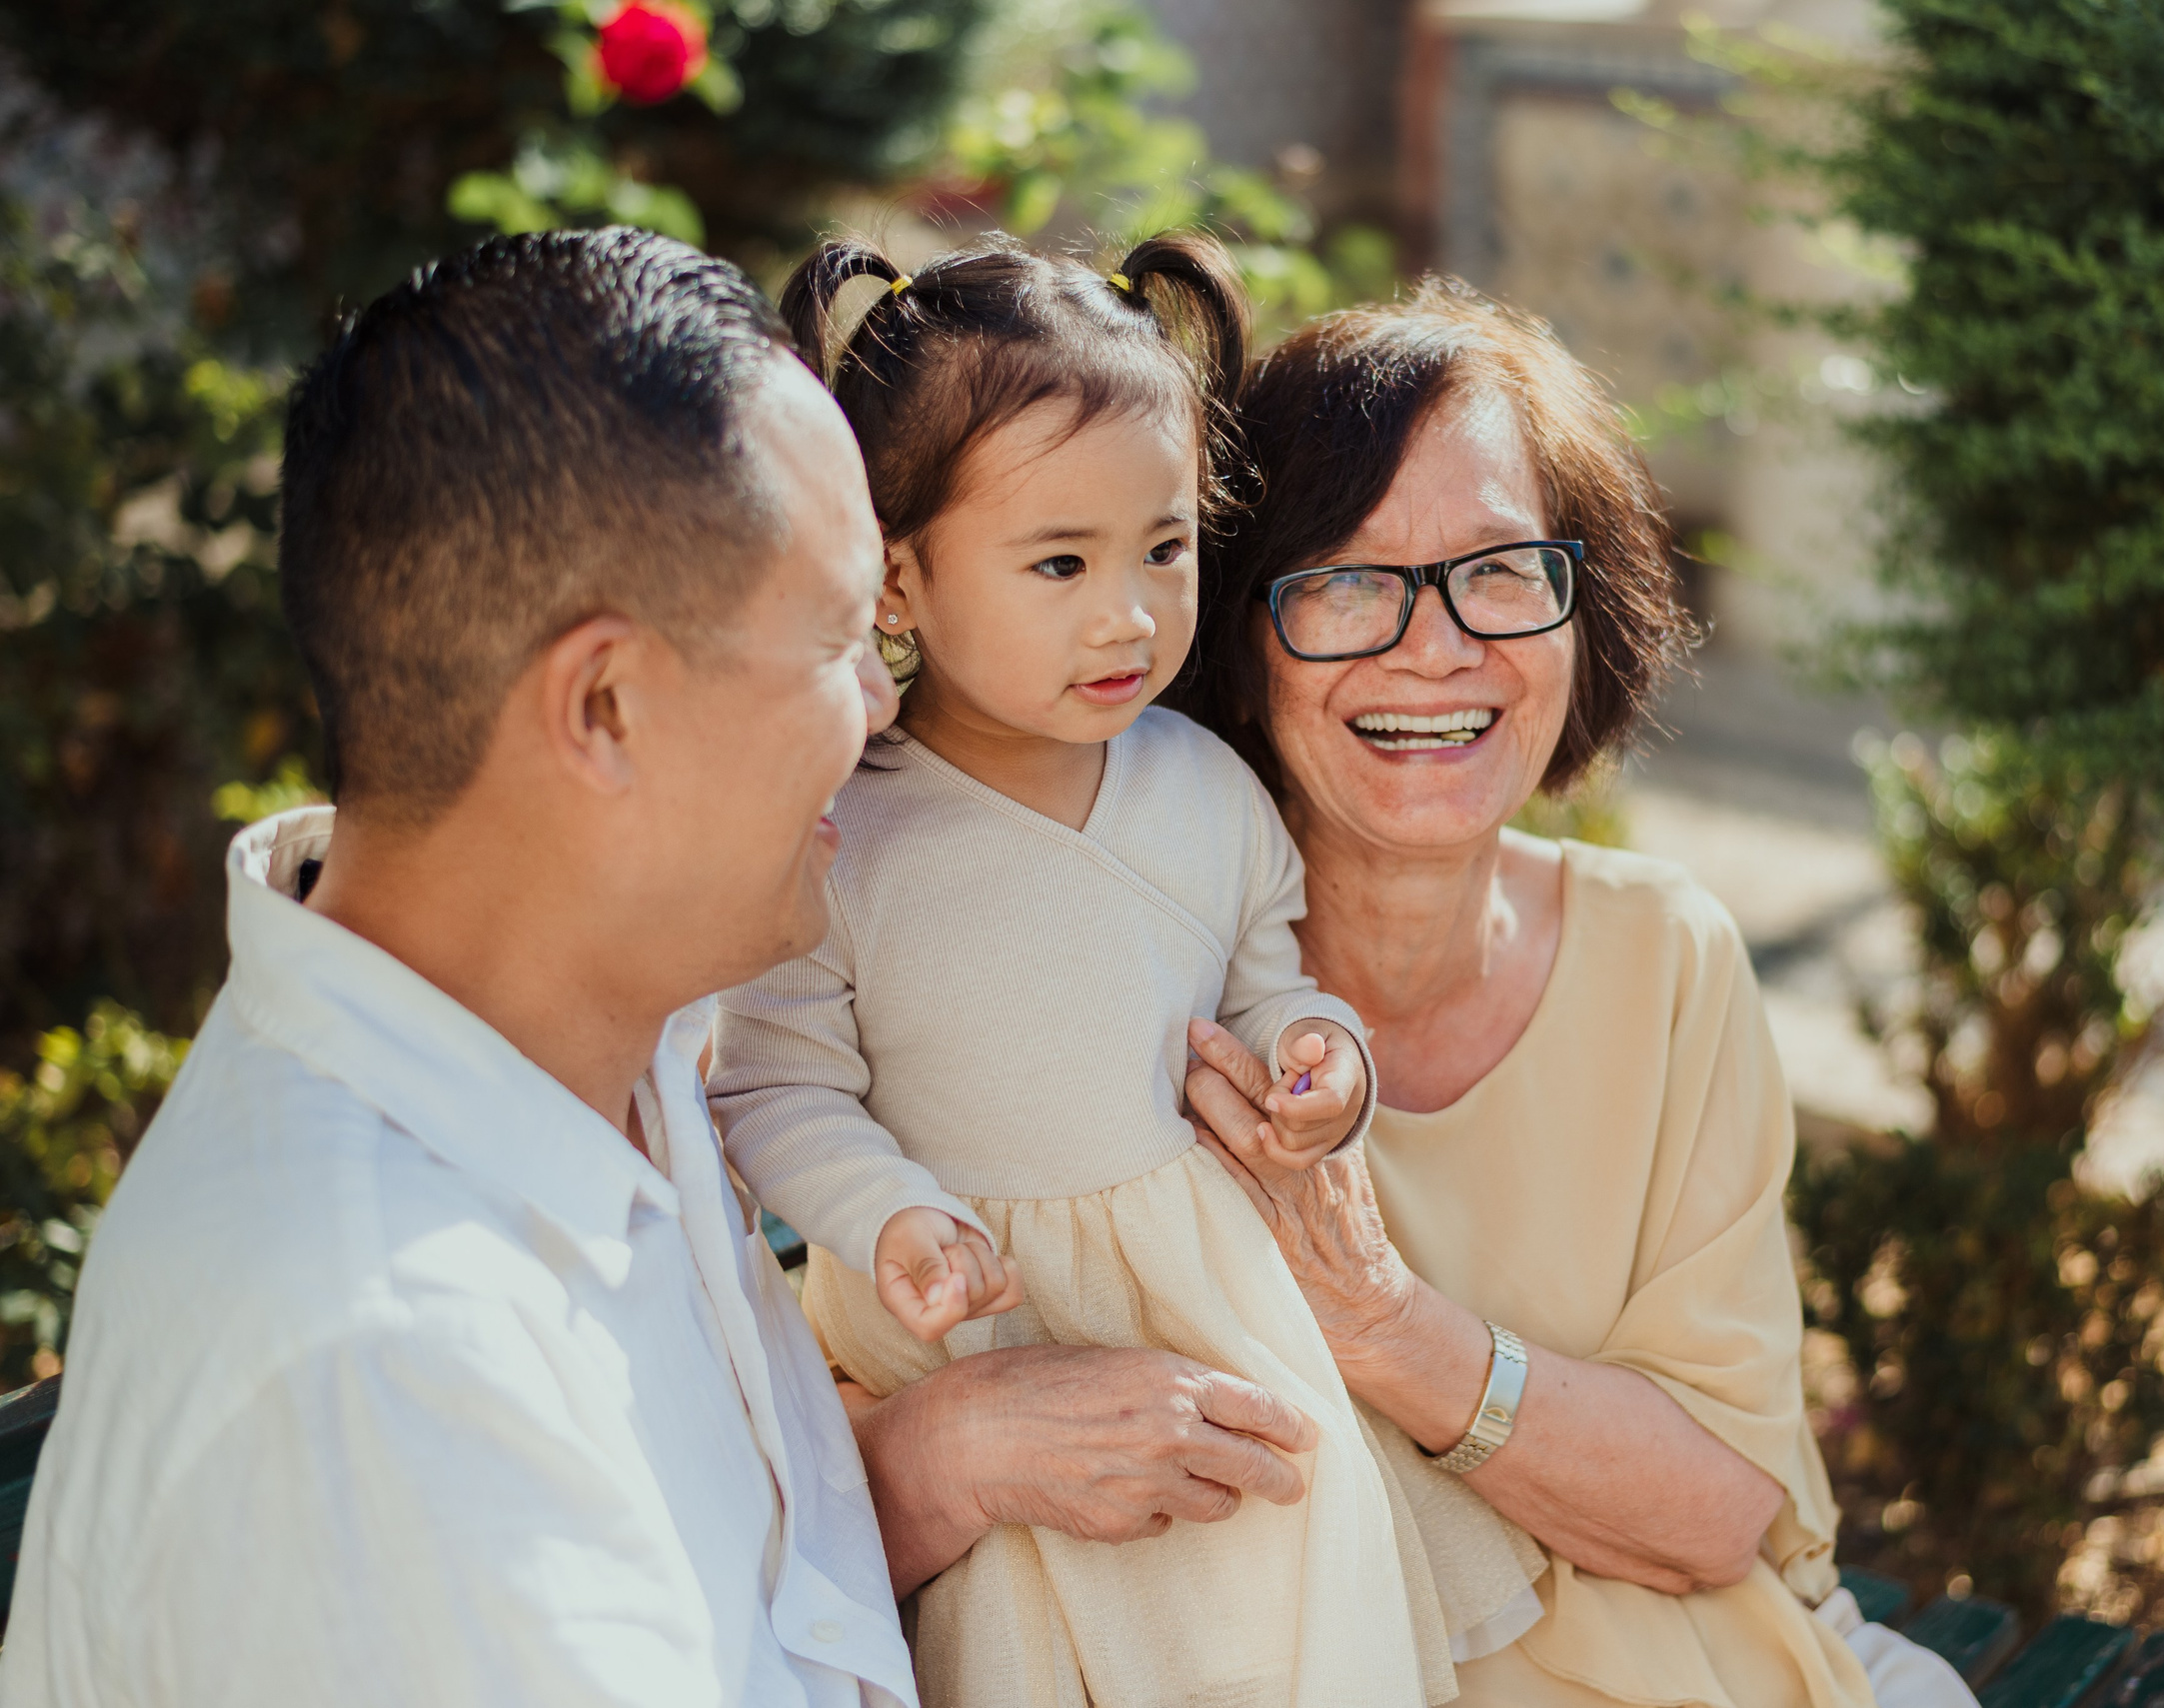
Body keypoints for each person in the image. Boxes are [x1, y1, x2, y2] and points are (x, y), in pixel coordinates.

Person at [0, 228, 1318, 1708]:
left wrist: (934, 1459)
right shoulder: (388, 1371)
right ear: (607, 709)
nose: (885, 700)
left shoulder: (609, 1033)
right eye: (836, 637)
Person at [710, 232, 1525, 1708]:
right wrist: (886, 1212)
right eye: (1060, 563)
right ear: (899, 576)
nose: (1131, 613)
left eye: (1165, 548)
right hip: (973, 1315)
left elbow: (1266, 980)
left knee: (1259, 1618)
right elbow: (775, 1087)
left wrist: (1319, 1062)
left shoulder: (1205, 786)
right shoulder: (845, 835)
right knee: (1033, 1640)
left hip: (1202, 1306)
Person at [1170, 280, 1981, 1708]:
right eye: (1346, 581)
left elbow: (1717, 1508)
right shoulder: (1153, 993)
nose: (1434, 647)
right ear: (1238, 643)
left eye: (1498, 569)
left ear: (1579, 612)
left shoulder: (1665, 959)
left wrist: (1385, 1329)